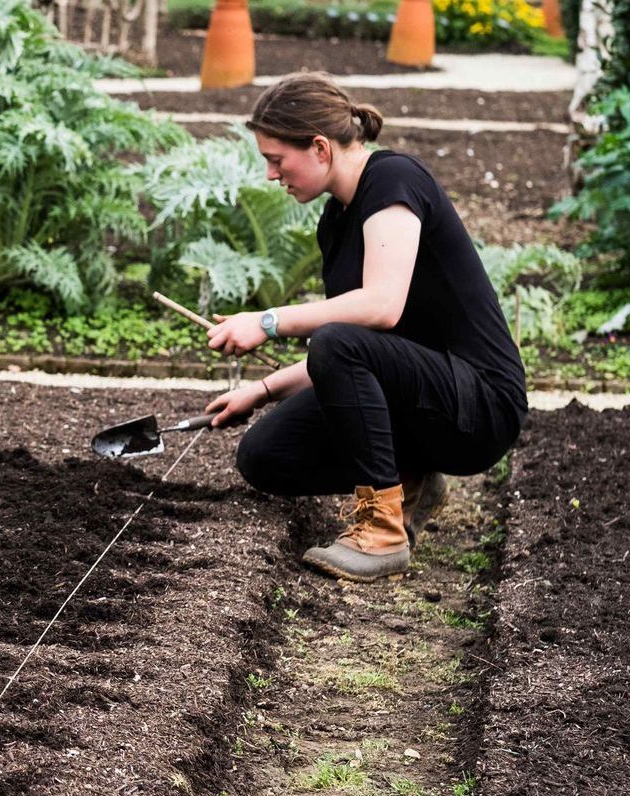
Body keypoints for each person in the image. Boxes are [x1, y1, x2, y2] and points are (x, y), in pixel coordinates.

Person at [200, 73, 526, 582]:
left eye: (276, 159)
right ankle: (411, 475)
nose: (270, 174)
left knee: (335, 339)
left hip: (479, 406)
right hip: (424, 396)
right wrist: (262, 391)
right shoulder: (335, 220)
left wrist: (268, 321)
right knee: (264, 457)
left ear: (320, 147)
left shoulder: (393, 180)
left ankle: (382, 534)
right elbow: (359, 352)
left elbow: (380, 308)